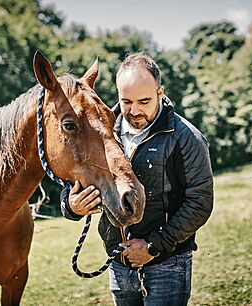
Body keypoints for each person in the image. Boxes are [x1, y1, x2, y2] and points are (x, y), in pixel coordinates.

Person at [61, 52, 213, 305]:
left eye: (144, 101)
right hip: (119, 265)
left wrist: (153, 247)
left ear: (160, 93)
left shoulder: (187, 138)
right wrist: (71, 205)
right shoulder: (102, 130)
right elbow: (73, 178)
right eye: (126, 101)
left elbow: (200, 202)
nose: (134, 111)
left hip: (167, 265)